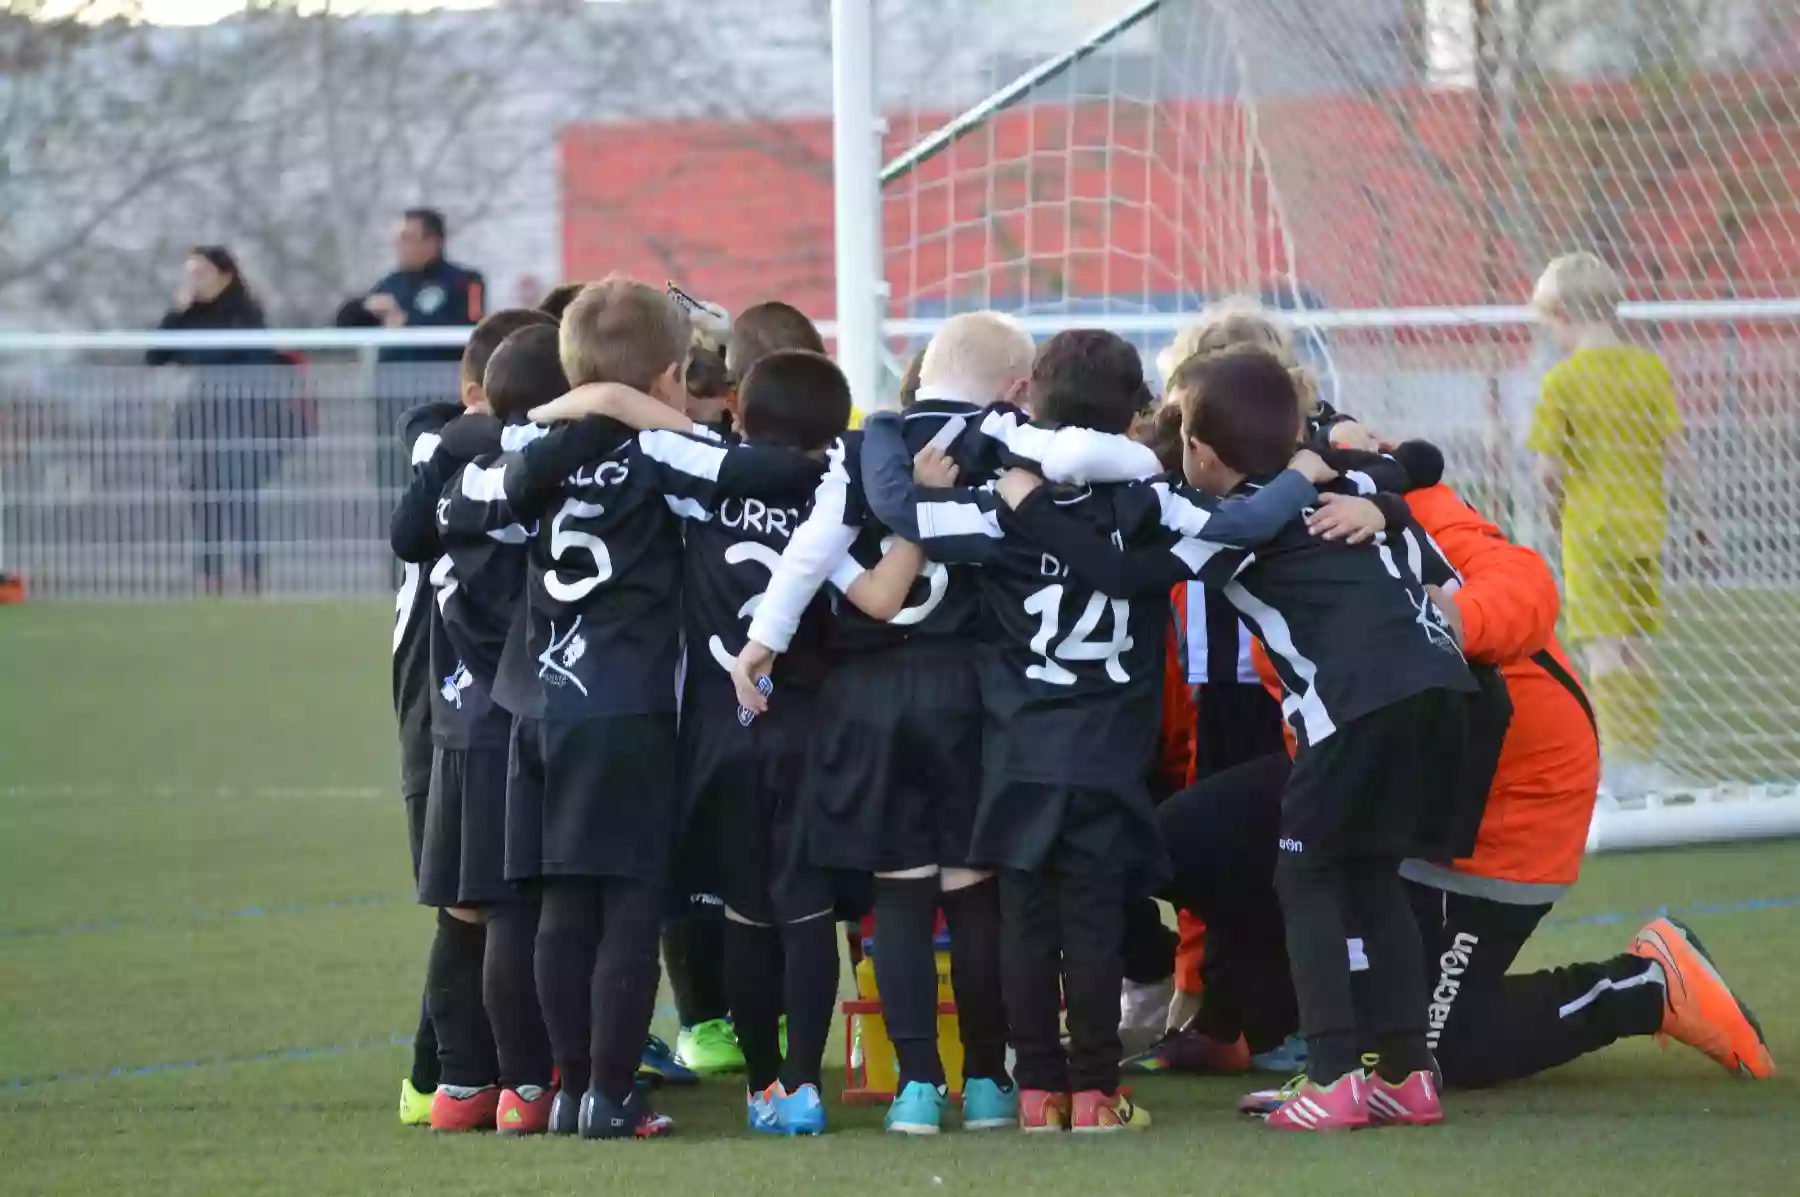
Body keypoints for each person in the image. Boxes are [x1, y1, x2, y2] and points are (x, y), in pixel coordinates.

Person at [852, 330, 1340, 1133]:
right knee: (1091, 922)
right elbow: (1248, 523)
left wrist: (882, 428)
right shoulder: (1152, 501)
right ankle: (1095, 1092)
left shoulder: (1004, 501)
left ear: (1032, 402)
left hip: (1019, 751)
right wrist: (1300, 472)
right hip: (1110, 756)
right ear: (1137, 411)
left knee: (1025, 924)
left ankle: (1037, 1091)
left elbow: (905, 510)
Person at [996, 345, 1476, 1132]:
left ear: (1201, 451)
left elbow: (1117, 576)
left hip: (1355, 703)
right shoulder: (1344, 477)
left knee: (1306, 876)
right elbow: (1408, 492)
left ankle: (1332, 1077)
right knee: (1372, 876)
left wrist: (1028, 506)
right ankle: (1407, 1075)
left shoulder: (1223, 524)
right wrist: (1385, 502)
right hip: (1443, 687)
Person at [479, 277, 824, 1140]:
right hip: (625, 709)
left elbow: (476, 509)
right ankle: (611, 1092)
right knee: (632, 905)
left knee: (562, 904)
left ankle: (563, 1092)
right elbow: (773, 475)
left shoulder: (528, 439)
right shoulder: (661, 453)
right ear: (669, 375)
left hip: (537, 709)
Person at [732, 312, 1044, 1137]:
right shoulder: (1017, 443)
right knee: (974, 896)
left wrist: (761, 642)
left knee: (899, 898)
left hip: (869, 700)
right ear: (1016, 387)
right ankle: (985, 1081)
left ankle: (914, 1085)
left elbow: (813, 549)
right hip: (971, 694)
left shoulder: (862, 447)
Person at [388, 307, 557, 1133]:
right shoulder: (529, 473)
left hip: (458, 717)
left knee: (465, 903)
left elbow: (410, 528)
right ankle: (521, 1079)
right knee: (514, 902)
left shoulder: (445, 471)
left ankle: (458, 1083)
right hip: (509, 713)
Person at [1526, 252, 1709, 800]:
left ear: (1560, 313)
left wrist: (1552, 512)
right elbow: (1678, 452)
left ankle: (1617, 767)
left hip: (1594, 533)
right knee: (1638, 646)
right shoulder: (1650, 369)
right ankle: (1643, 758)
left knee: (1603, 650)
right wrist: (1702, 519)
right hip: (1646, 530)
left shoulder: (1564, 380)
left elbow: (1548, 472)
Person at [147, 246, 297, 596]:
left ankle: (250, 582)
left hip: (240, 422)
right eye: (190, 275)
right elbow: (155, 355)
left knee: (242, 502)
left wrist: (202, 359)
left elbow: (254, 364)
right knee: (203, 503)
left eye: (201, 274)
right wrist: (177, 313)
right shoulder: (186, 316)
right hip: (195, 421)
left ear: (225, 275)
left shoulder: (245, 313)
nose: (194, 282)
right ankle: (209, 582)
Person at [339, 208, 487, 499]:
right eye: (398, 239)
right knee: (395, 478)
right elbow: (345, 324)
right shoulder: (391, 283)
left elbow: (472, 332)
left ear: (432, 242)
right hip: (393, 401)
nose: (400, 246)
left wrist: (407, 322)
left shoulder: (464, 282)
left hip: (444, 401)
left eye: (407, 238)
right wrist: (361, 308)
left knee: (446, 475)